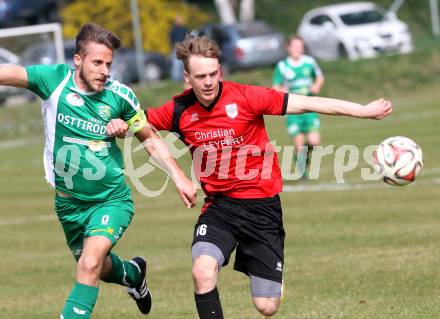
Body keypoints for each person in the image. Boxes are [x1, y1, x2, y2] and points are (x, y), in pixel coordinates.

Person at [107, 35, 392, 318]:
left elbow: (308, 103)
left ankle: (270, 277)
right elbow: (137, 121)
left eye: (213, 74)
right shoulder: (179, 109)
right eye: (200, 76)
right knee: (202, 272)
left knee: (266, 307)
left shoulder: (246, 96)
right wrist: (117, 122)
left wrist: (363, 111)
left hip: (262, 208)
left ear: (220, 70)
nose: (208, 82)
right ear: (187, 77)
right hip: (220, 208)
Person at [0, 23, 196, 319]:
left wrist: (179, 177)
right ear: (77, 60)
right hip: (68, 204)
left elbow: (151, 140)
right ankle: (133, 274)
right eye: (97, 62)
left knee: (89, 264)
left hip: (110, 200)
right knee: (97, 266)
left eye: (109, 64)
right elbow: (7, 73)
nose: (105, 70)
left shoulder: (119, 96)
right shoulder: (53, 81)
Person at [273, 36, 325, 179]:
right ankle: (303, 172)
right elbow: (276, 86)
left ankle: (303, 158)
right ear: (288, 48)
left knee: (314, 143)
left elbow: (319, 77)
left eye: (300, 46)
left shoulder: (309, 62)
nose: (297, 49)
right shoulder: (283, 66)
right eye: (294, 46)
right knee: (299, 145)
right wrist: (280, 91)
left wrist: (317, 86)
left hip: (309, 108)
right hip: (292, 110)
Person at [169, 14, 189, 82]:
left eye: (180, 20)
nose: (179, 21)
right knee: (176, 64)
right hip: (176, 48)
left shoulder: (184, 29)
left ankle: (184, 77)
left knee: (183, 64)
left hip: (183, 48)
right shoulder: (173, 30)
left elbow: (187, 38)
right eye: (177, 20)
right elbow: (171, 39)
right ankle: (176, 79)